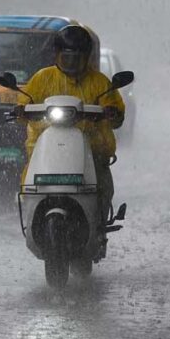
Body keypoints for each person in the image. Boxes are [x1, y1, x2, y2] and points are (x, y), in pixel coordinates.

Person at [17, 25, 125, 221]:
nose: (72, 62)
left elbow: (116, 115)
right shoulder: (42, 78)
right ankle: (31, 217)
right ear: (57, 55)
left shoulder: (100, 82)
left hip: (93, 152)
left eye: (78, 57)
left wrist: (111, 113)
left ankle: (99, 223)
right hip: (46, 152)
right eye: (67, 56)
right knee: (29, 187)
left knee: (102, 188)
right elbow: (24, 103)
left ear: (87, 57)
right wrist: (20, 110)